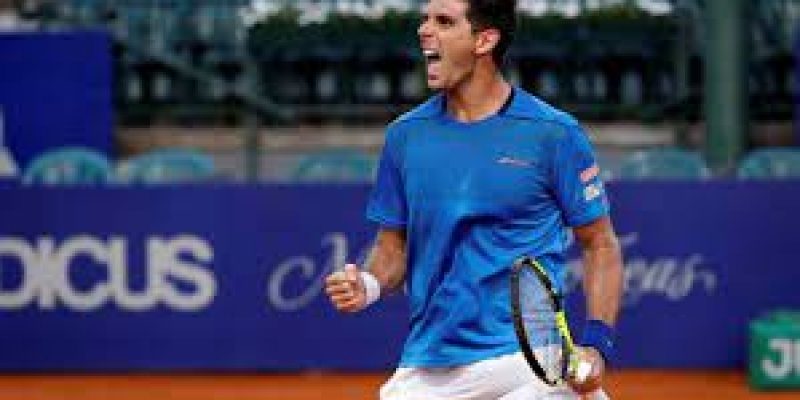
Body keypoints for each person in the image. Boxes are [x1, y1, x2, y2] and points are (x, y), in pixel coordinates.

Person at [324, 0, 623, 398]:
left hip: (531, 361)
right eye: (425, 19)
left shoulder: (554, 133)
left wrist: (597, 346)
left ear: (484, 40)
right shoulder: (404, 137)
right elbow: (392, 247)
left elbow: (600, 243)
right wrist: (368, 283)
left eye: (444, 21)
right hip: (429, 362)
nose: (424, 30)